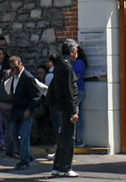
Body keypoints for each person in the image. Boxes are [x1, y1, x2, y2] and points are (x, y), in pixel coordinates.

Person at [49, 39, 80, 178]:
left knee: (63, 138)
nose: (77, 53)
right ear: (72, 51)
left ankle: (57, 166)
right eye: (76, 51)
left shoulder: (60, 65)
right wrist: (74, 111)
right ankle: (65, 167)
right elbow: (69, 90)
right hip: (67, 108)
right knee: (68, 138)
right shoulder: (67, 67)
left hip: (60, 106)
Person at [6, 55, 43, 171]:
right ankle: (27, 155)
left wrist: (30, 110)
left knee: (24, 136)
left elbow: (37, 96)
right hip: (16, 111)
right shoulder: (12, 77)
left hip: (26, 111)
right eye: (12, 69)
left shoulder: (28, 78)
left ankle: (25, 161)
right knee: (13, 134)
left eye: (16, 68)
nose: (14, 71)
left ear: (21, 65)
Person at [72, 44, 88, 147]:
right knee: (79, 115)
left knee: (74, 114)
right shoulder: (80, 63)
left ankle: (76, 139)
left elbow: (76, 77)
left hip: (77, 91)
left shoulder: (78, 63)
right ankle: (79, 138)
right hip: (80, 90)